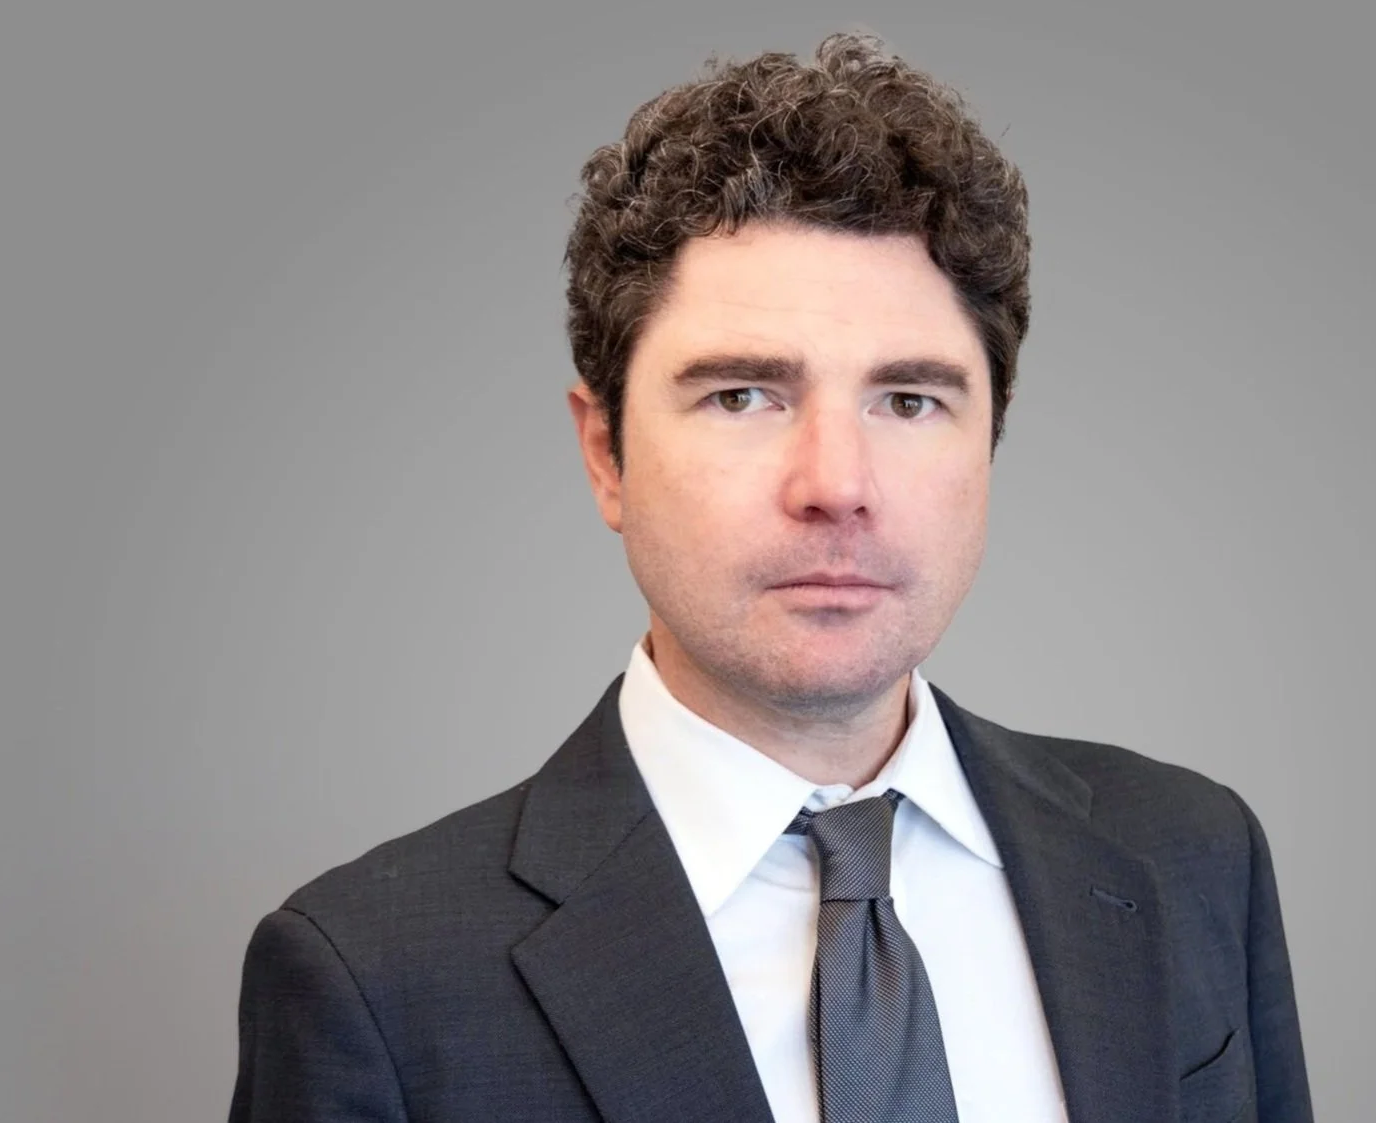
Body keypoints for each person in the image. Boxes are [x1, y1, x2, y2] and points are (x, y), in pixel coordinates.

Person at [229, 31, 1312, 1123]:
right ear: (605, 453)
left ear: (990, 440)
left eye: (909, 399)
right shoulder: (375, 985)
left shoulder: (1192, 855)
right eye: (743, 396)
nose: (837, 484)